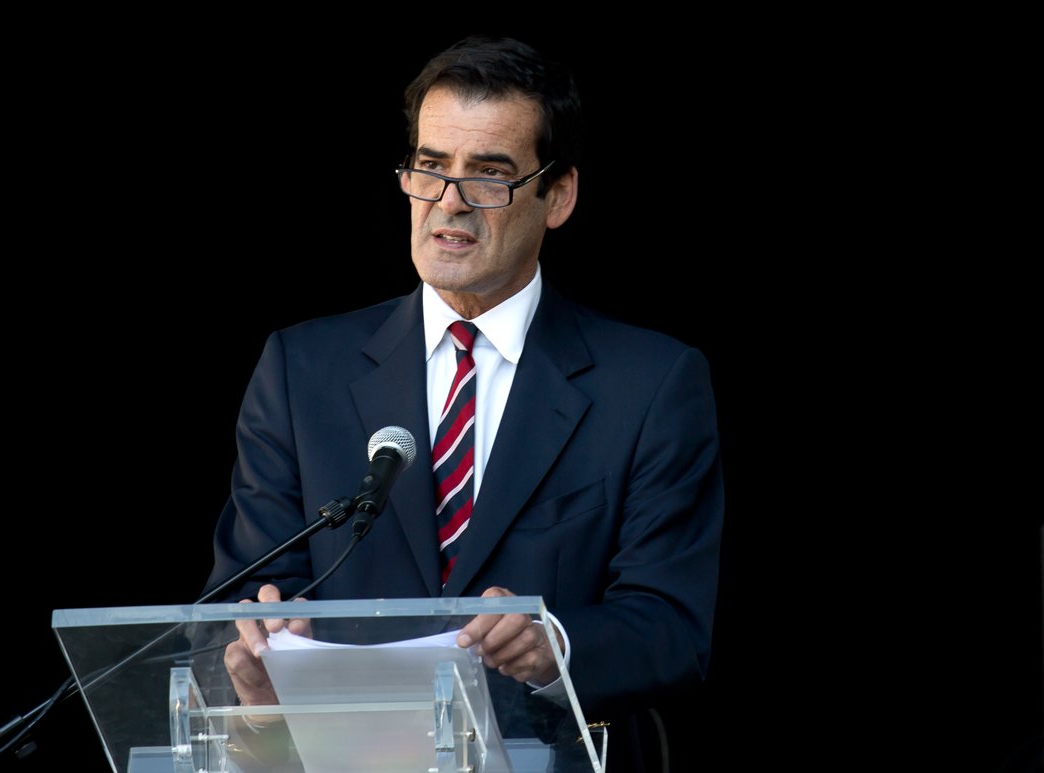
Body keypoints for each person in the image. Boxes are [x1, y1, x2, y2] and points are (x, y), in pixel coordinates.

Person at [200, 34, 724, 771]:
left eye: (490, 175)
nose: (449, 202)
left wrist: (552, 643)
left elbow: (670, 628)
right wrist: (255, 663)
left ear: (558, 195)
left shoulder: (649, 384)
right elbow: (235, 604)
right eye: (430, 167)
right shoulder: (301, 370)